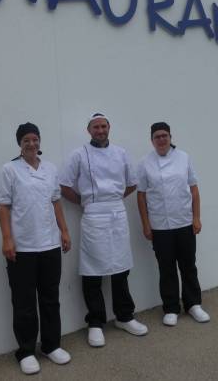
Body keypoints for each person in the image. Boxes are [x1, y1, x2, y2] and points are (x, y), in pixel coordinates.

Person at [60, 113, 148, 347]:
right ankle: (96, 323)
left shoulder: (121, 153)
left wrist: (114, 199)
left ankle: (124, 316)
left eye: (103, 126)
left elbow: (132, 182)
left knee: (121, 268)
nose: (100, 130)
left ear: (109, 128)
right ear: (88, 130)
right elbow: (64, 185)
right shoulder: (79, 154)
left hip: (117, 213)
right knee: (92, 272)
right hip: (93, 214)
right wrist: (85, 202)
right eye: (95, 127)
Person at [0, 122, 72, 375]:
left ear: (40, 142)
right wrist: (7, 239)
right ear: (20, 143)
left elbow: (56, 202)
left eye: (35, 139)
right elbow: (3, 206)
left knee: (50, 297)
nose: (31, 144)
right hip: (23, 247)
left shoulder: (50, 169)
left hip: (49, 244)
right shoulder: (10, 170)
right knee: (24, 301)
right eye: (26, 140)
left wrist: (64, 231)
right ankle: (26, 351)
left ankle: (51, 345)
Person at [136, 122, 210, 326]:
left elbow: (194, 189)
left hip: (184, 222)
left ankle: (193, 304)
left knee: (188, 265)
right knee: (166, 268)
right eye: (157, 136)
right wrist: (146, 223)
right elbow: (141, 196)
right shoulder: (144, 163)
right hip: (159, 225)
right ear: (152, 140)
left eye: (164, 135)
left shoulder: (184, 158)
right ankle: (170, 307)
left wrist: (196, 217)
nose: (161, 139)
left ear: (170, 137)